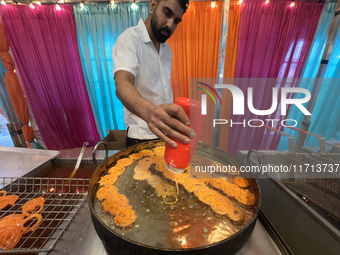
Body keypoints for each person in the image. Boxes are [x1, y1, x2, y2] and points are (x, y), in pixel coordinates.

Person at [113, 0, 193, 148]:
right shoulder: (130, 39)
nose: (170, 25)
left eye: (176, 21)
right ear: (153, 5)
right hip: (140, 136)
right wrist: (150, 112)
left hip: (165, 132)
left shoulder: (167, 49)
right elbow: (122, 83)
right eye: (167, 13)